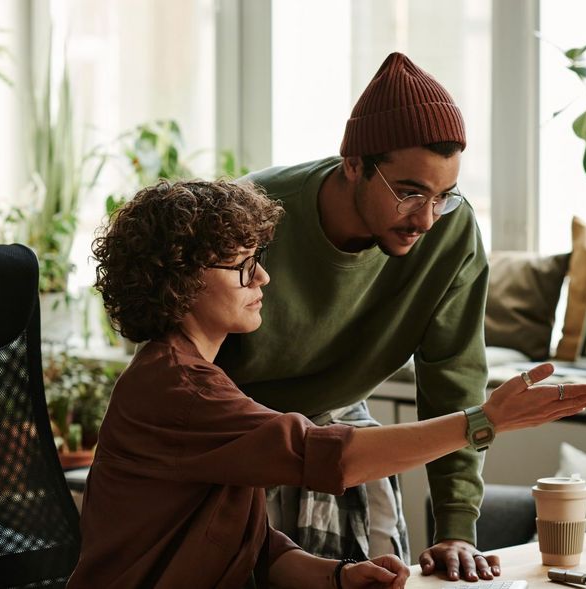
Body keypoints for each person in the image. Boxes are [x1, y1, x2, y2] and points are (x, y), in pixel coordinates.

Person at [68, 179, 586, 588]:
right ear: (179, 282)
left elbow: (252, 546)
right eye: (241, 266)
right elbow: (333, 457)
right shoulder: (178, 390)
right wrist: (483, 421)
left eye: (259, 261)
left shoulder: (200, 376)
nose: (262, 278)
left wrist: (337, 577)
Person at [214, 52, 506, 581]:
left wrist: (456, 527)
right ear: (354, 165)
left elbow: (455, 377)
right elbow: (180, 371)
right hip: (237, 441)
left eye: (444, 195)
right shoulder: (252, 214)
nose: (425, 219)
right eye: (409, 193)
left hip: (343, 428)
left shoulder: (450, 231)